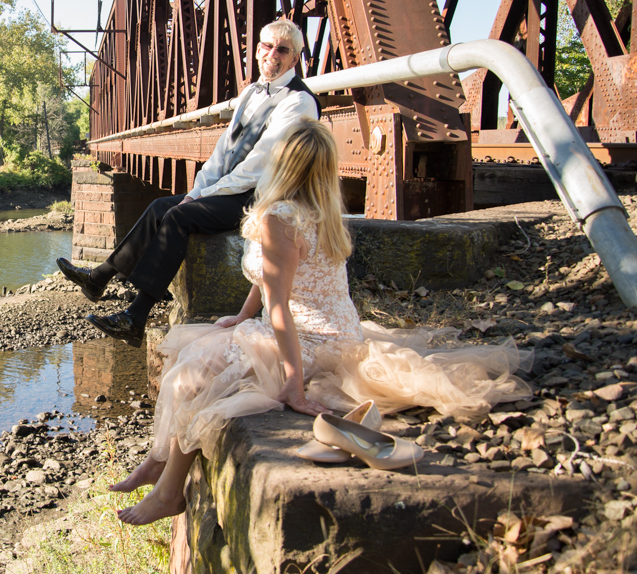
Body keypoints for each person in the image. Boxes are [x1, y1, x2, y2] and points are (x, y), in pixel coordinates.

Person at [110, 120, 531, 525]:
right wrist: (241, 316)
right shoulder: (321, 209)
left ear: (281, 163)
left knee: (195, 374)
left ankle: (169, 493)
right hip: (340, 332)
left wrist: (292, 382)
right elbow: (270, 278)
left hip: (311, 337)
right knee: (199, 354)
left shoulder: (279, 217)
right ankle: (156, 464)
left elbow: (279, 308)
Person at [56, 18, 319, 346]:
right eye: (267, 46)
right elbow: (224, 150)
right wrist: (197, 191)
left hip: (263, 196)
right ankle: (99, 278)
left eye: (283, 50)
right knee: (157, 208)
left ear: (295, 58)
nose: (272, 55)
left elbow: (259, 167)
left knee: (179, 216)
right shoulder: (252, 92)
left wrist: (202, 196)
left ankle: (136, 316)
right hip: (231, 188)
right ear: (257, 50)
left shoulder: (299, 101)